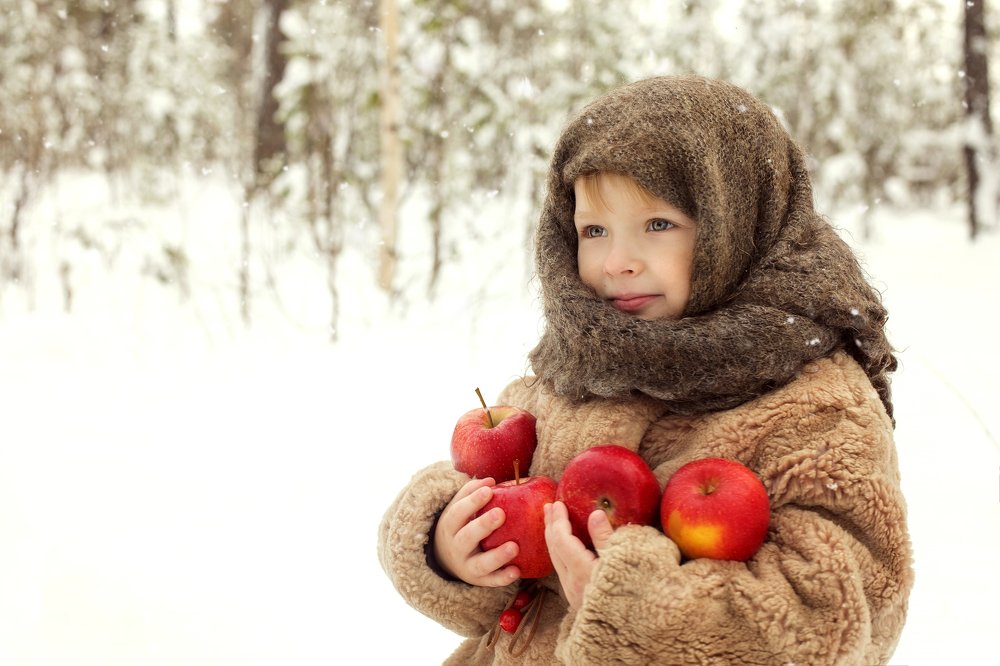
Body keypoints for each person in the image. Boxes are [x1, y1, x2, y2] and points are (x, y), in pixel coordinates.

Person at [377, 75, 913, 664]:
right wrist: (449, 549)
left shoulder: (816, 405)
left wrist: (635, 612)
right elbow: (504, 516)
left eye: (658, 225)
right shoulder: (577, 367)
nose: (617, 262)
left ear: (735, 223)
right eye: (593, 231)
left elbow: (835, 616)